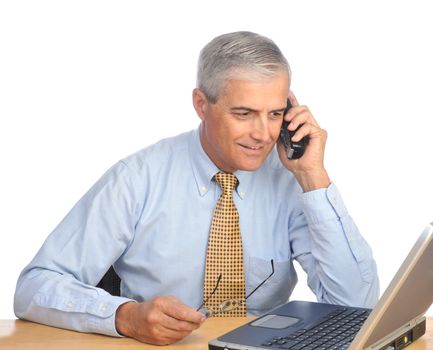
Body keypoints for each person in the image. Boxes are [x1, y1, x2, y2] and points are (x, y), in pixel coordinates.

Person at [14, 31, 379, 346]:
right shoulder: (137, 178)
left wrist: (313, 176)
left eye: (275, 114)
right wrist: (124, 316)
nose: (264, 134)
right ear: (202, 105)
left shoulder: (291, 180)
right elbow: (35, 286)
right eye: (244, 113)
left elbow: (356, 306)